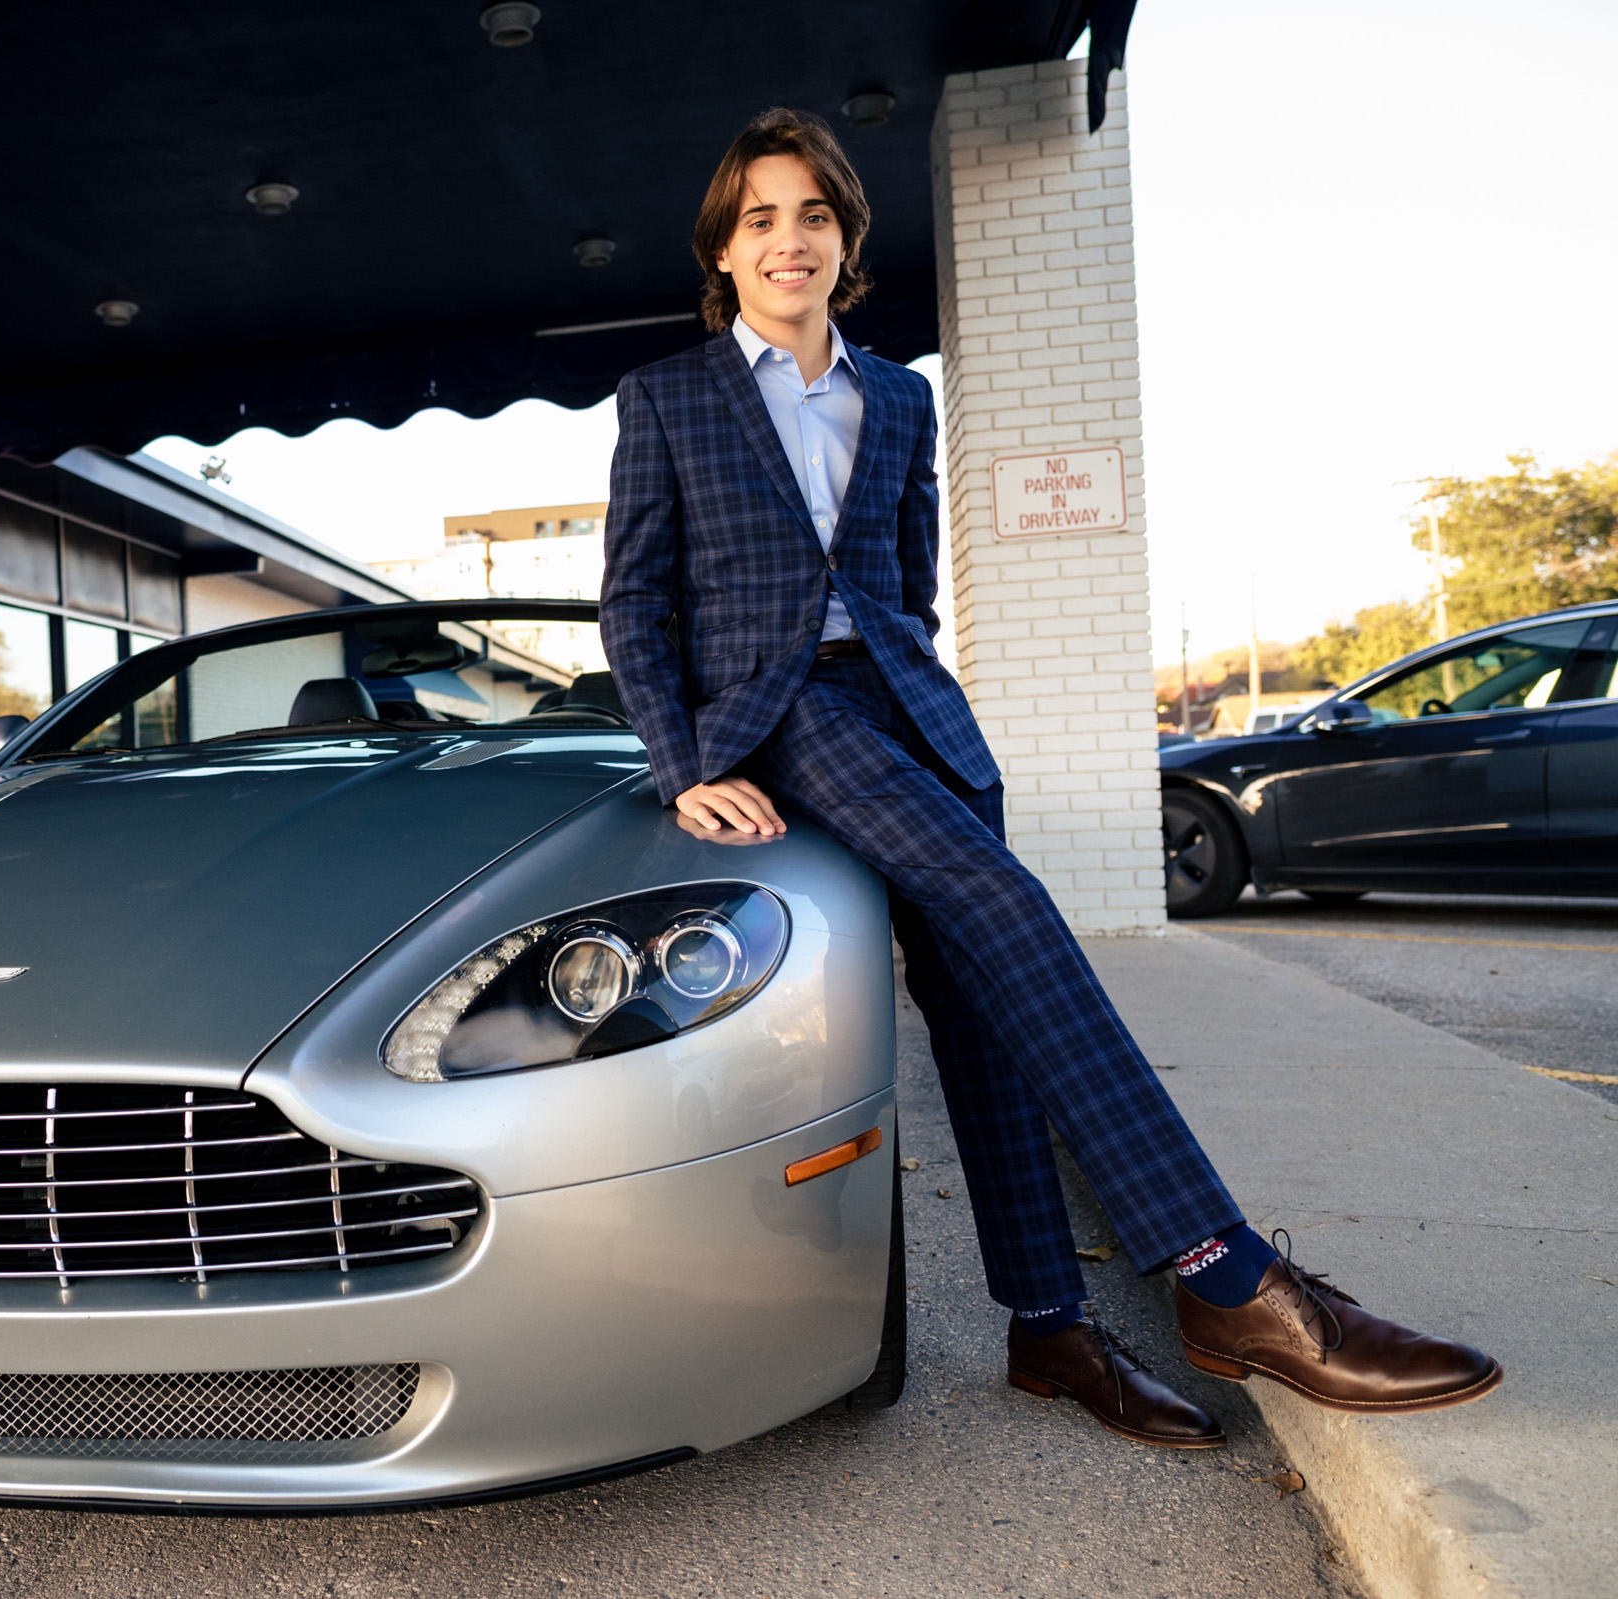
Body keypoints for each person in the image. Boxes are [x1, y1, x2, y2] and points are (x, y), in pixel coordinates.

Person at [600, 108, 1499, 1448]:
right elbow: (635, 603)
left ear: (846, 239)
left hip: (918, 716)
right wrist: (685, 765)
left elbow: (903, 586)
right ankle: (1226, 1275)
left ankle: (1051, 1330)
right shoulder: (667, 398)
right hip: (782, 718)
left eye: (813, 214)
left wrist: (922, 699)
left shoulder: (897, 396)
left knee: (988, 1009)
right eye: (759, 218)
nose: (787, 239)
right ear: (723, 250)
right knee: (1015, 912)